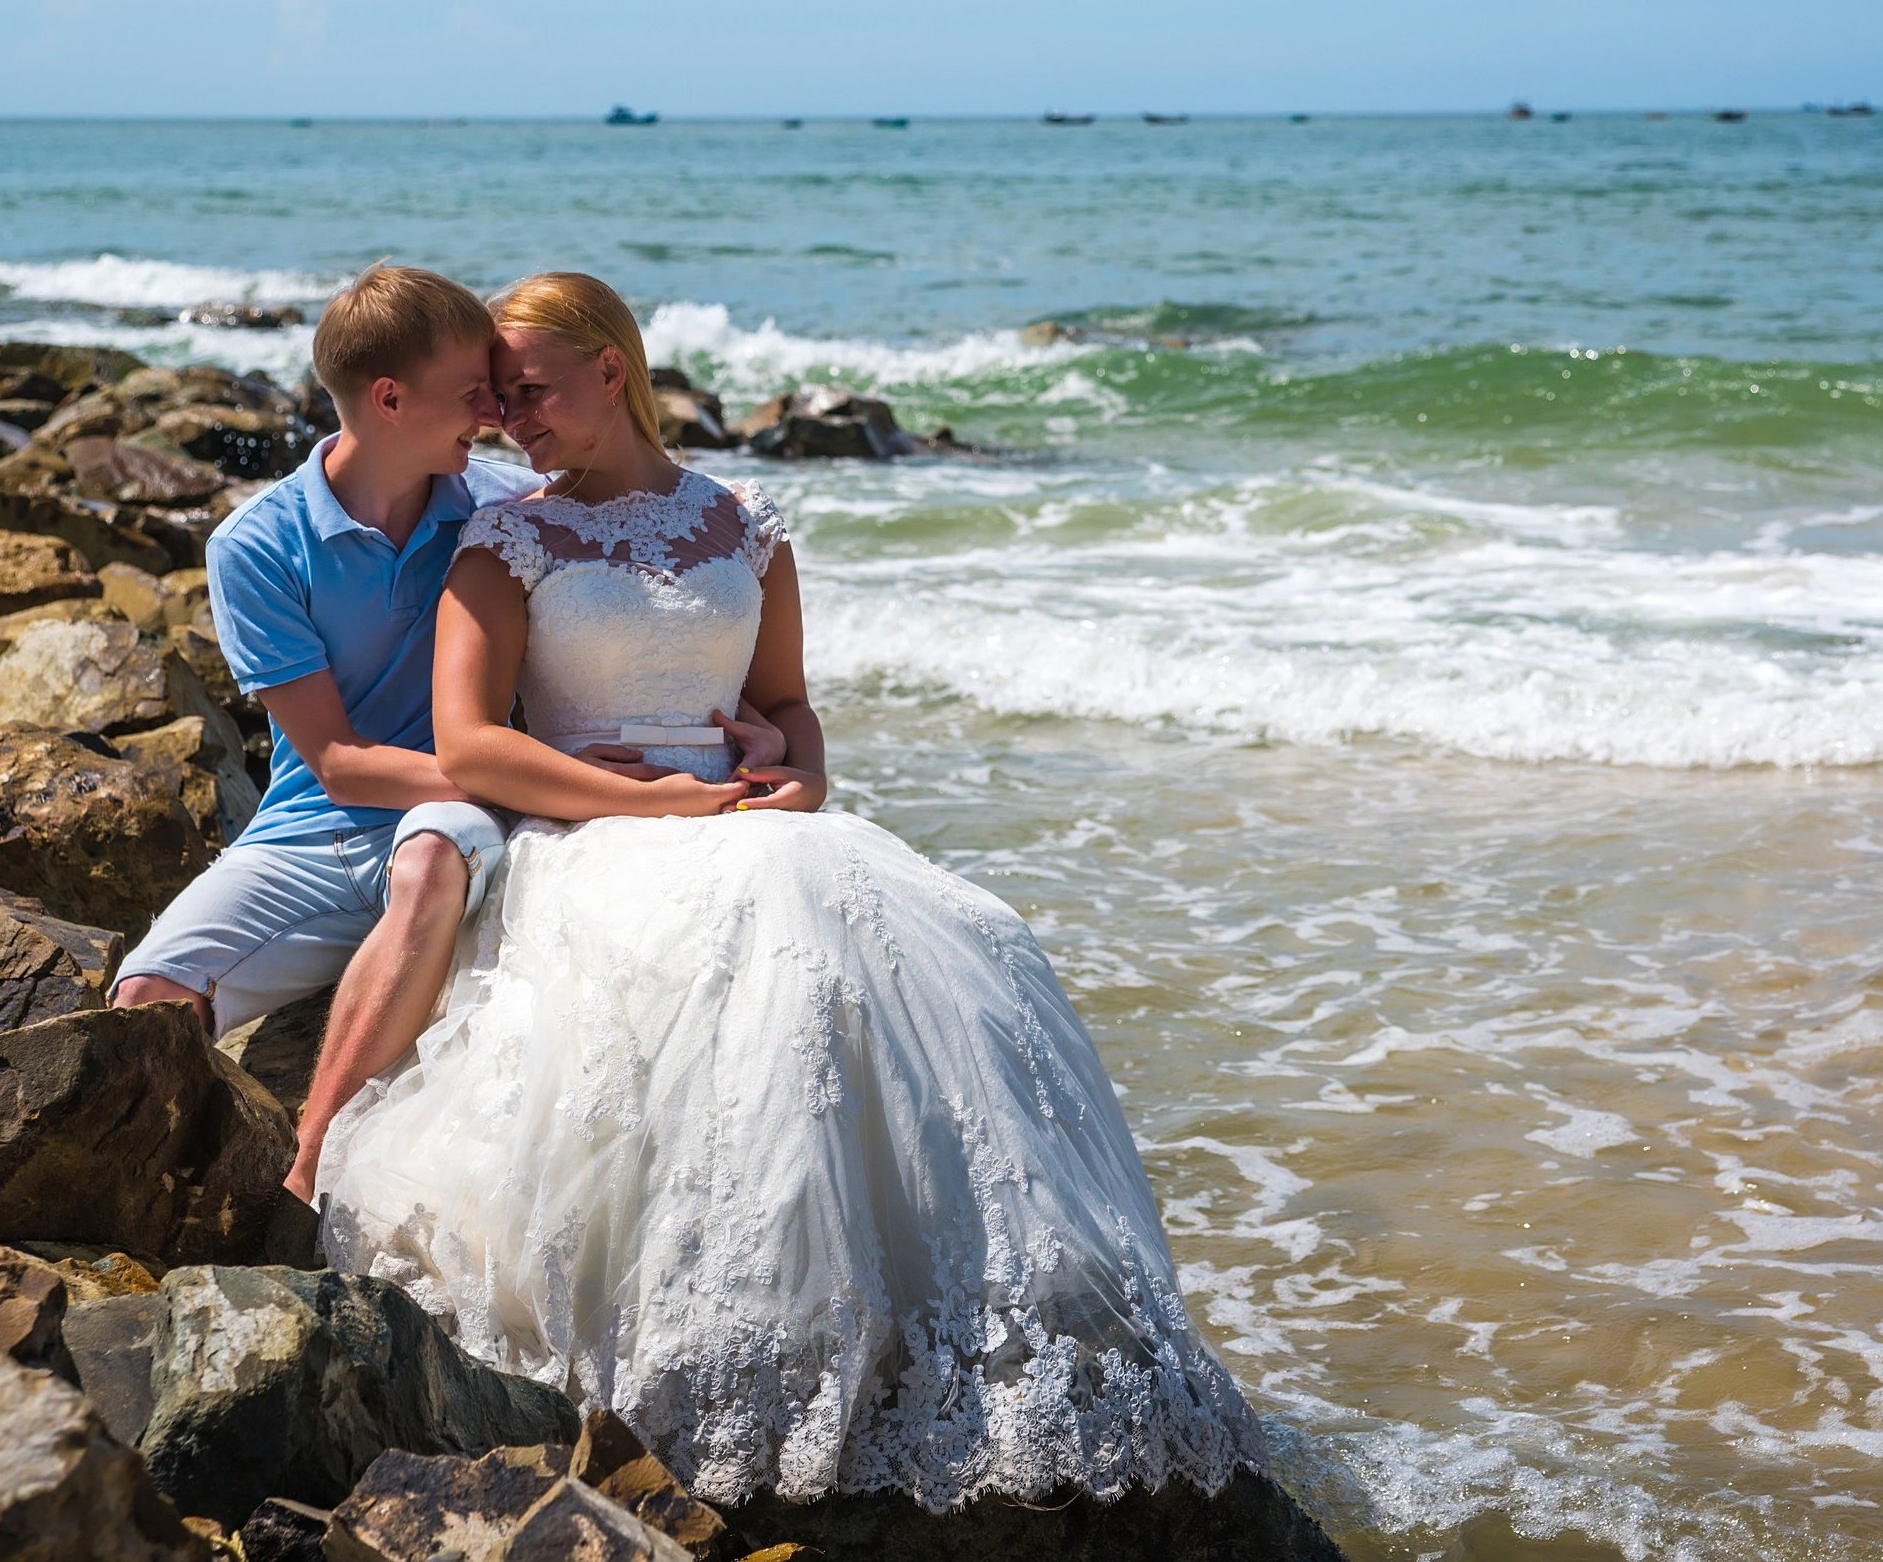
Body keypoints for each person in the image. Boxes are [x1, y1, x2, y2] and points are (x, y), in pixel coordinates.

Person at [316, 273, 1266, 1514]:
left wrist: (801, 773)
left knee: (954, 938)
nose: (509, 417)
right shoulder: (508, 540)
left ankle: (948, 1321)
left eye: (530, 388)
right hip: (598, 830)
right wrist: (655, 803)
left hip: (753, 821)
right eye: (495, 397)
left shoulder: (746, 523)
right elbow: (473, 743)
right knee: (745, 956)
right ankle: (725, 1334)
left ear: (612, 368)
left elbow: (790, 706)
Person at [111, 264, 542, 1202]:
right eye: (474, 391)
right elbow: (339, 764)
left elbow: (648, 555)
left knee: (431, 859)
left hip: (454, 824)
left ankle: (305, 1174)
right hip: (311, 833)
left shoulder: (508, 508)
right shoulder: (255, 545)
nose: (496, 411)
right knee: (145, 1002)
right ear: (388, 398)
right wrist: (515, 773)